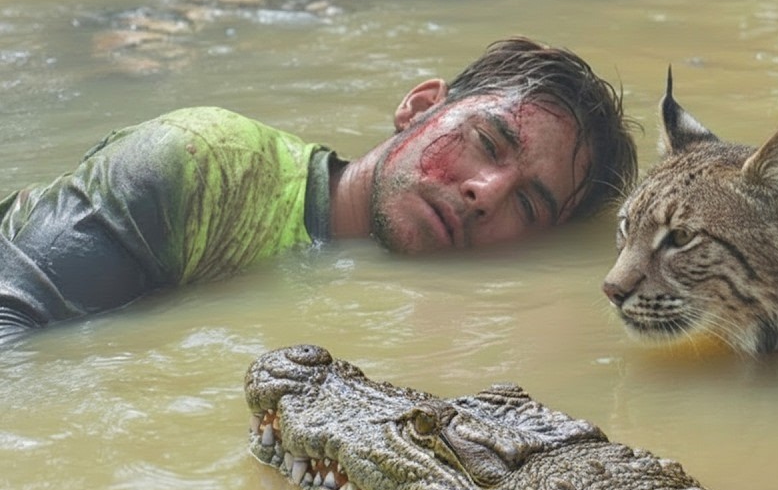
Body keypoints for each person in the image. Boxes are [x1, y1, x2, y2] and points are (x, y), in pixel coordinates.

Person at [0, 36, 638, 342]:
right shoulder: (203, 162)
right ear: (417, 107)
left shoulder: (427, 331)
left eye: (528, 205)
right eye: (489, 143)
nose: (486, 193)